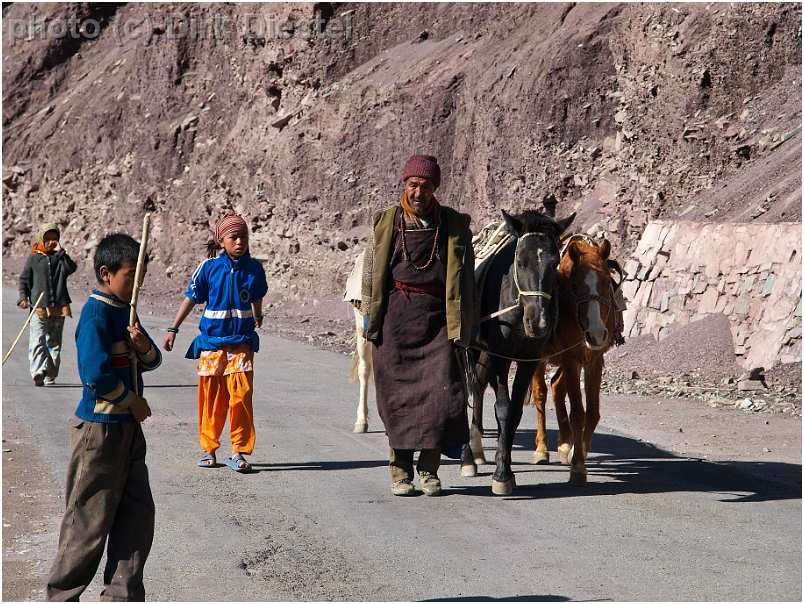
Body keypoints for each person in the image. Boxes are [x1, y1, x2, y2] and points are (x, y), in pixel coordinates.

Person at [46, 233, 161, 601]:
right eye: (132, 275)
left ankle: (121, 595)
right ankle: (62, 595)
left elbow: (152, 360)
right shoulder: (96, 312)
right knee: (88, 523)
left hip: (128, 433)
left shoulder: (127, 309)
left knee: (136, 518)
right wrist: (131, 401)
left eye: (141, 275)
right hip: (100, 433)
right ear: (106, 273)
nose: (137, 284)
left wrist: (143, 346)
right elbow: (95, 375)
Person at [361, 154, 477, 497]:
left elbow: (466, 279)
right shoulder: (386, 223)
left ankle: (429, 471)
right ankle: (399, 471)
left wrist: (466, 326)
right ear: (404, 185)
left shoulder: (454, 225)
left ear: (435, 188)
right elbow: (371, 273)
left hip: (439, 322)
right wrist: (370, 317)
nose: (418, 193)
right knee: (396, 400)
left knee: (438, 399)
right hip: (395, 321)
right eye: (413, 185)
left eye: (425, 186)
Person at [163, 214, 267, 473]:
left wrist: (258, 314)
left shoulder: (254, 269)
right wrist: (173, 328)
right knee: (212, 398)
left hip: (241, 343)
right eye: (234, 237)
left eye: (243, 236)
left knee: (241, 397)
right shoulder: (208, 268)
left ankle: (239, 452)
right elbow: (190, 298)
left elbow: (256, 297)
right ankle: (209, 449)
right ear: (221, 241)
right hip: (211, 344)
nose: (240, 241)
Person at [17, 222, 77, 386]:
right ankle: (38, 371)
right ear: (41, 239)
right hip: (39, 308)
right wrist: (23, 297)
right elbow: (24, 280)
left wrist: (62, 253)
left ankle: (50, 374)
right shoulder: (34, 258)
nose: (51, 242)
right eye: (47, 239)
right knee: (37, 340)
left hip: (58, 308)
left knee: (54, 344)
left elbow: (71, 268)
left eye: (54, 238)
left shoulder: (60, 259)